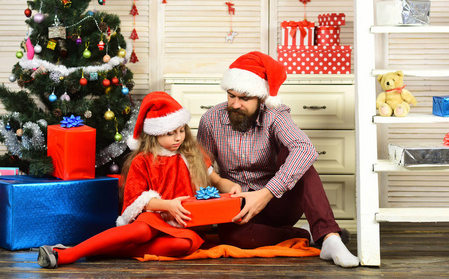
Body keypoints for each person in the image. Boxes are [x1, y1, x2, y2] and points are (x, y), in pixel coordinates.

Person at [37, 91, 241, 269]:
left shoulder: (192, 154)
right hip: (155, 217)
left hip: (185, 224)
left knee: (183, 246)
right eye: (170, 133)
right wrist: (167, 205)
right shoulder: (142, 161)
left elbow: (215, 179)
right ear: (154, 134)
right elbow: (136, 199)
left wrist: (231, 186)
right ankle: (71, 253)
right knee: (143, 230)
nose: (178, 138)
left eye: (181, 131)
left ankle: (104, 251)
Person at [197, 51, 360, 268]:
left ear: (261, 98)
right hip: (239, 207)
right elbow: (201, 167)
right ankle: (309, 235)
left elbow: (305, 149)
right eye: (231, 95)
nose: (235, 104)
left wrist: (265, 194)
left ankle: (330, 236)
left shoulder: (274, 115)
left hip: (278, 202)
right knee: (233, 238)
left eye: (244, 98)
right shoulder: (210, 119)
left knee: (299, 156)